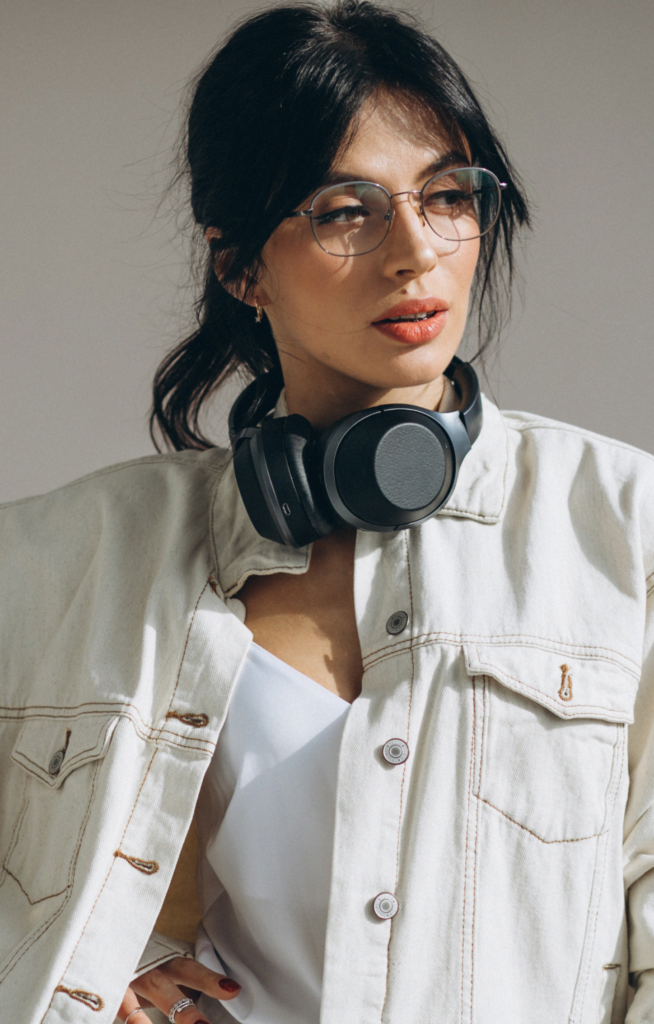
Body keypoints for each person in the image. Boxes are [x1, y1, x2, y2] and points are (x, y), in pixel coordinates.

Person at [2, 2, 654, 1023]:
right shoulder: (70, 562)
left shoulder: (626, 528)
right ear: (239, 265)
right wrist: (84, 956)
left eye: (447, 195)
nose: (414, 251)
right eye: (345, 209)